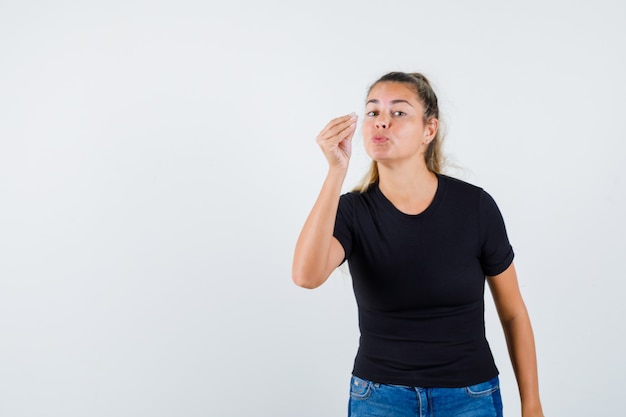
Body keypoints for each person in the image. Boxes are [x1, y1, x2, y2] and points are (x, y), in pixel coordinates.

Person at [292, 71, 544, 417]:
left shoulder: (475, 207)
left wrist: (532, 404)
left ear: (429, 129)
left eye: (398, 113)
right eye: (373, 112)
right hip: (379, 398)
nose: (382, 122)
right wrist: (336, 171)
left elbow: (513, 311)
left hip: (469, 398)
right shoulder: (352, 210)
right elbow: (306, 276)